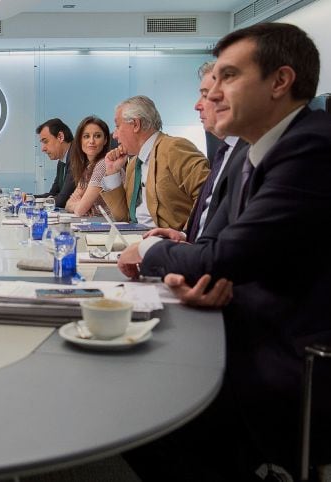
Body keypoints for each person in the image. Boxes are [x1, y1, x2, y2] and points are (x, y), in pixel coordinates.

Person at [119, 23, 331, 479]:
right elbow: (218, 251)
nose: (212, 93)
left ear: (281, 81)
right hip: (242, 323)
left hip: (285, 351)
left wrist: (153, 249)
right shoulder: (259, 151)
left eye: (228, 76)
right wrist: (193, 266)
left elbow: (219, 259)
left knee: (137, 410)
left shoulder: (311, 146)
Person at [145, 61, 248, 243]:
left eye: (206, 96)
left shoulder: (250, 157)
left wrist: (153, 251)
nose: (197, 106)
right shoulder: (225, 152)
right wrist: (185, 236)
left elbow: (229, 246)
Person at [100, 95, 209, 230]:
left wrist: (185, 236)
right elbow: (122, 217)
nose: (115, 135)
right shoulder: (133, 164)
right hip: (136, 238)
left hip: (168, 243)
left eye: (117, 126)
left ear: (135, 124)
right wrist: (112, 171)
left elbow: (208, 195)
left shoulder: (174, 148)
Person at [63, 116, 111, 216]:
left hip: (116, 226)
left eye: (97, 136)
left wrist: (82, 206)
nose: (91, 141)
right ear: (80, 141)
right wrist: (81, 205)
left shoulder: (104, 164)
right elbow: (68, 204)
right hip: (100, 223)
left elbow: (80, 210)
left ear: (105, 140)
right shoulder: (88, 168)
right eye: (86, 136)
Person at [34, 118, 75, 208]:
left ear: (60, 137)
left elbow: (62, 200)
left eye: (45, 142)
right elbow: (53, 194)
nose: (43, 148)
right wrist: (30, 198)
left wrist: (36, 204)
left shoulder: (76, 156)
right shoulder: (62, 161)